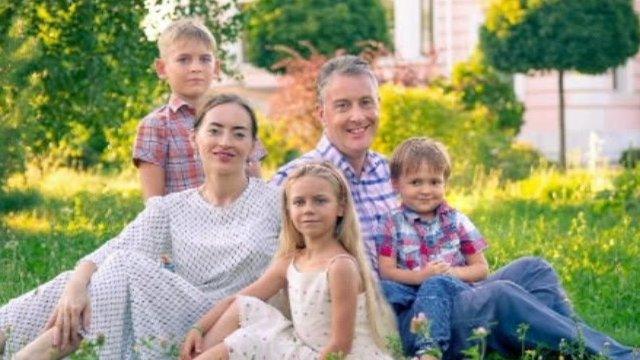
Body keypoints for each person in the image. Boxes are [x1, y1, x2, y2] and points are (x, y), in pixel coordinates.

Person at [0, 94, 281, 359]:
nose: (226, 141)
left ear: (253, 145)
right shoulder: (172, 206)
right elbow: (116, 247)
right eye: (215, 130)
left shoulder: (277, 201)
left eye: (239, 133)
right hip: (168, 316)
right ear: (194, 139)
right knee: (72, 284)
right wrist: (75, 286)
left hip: (224, 322)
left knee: (124, 266)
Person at [376, 137, 635, 360]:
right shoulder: (392, 223)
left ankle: (571, 337)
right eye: (416, 182)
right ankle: (429, 350)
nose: (426, 190)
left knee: (535, 268)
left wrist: (451, 273)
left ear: (445, 183)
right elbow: (387, 272)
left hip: (462, 291)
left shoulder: (455, 220)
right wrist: (423, 277)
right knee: (444, 285)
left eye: (434, 182)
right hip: (423, 310)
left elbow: (481, 269)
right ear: (397, 184)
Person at [180, 162, 396, 360]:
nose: (308, 209)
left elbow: (340, 346)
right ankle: (195, 354)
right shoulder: (291, 261)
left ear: (340, 208)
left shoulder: (340, 266)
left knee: (249, 341)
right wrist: (198, 328)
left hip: (335, 356)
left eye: (320, 200)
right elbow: (237, 299)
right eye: (299, 202)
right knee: (243, 306)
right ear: (289, 210)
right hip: (302, 347)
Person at [271, 55, 398, 271]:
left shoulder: (395, 173)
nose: (357, 116)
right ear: (321, 114)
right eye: (343, 106)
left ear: (379, 105)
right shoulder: (289, 181)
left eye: (366, 102)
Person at [133, 18, 266, 200]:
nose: (196, 68)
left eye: (204, 59)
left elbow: (258, 189)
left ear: (216, 67)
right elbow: (154, 205)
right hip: (183, 226)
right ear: (162, 68)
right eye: (184, 60)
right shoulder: (155, 126)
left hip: (238, 223)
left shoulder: (238, 118)